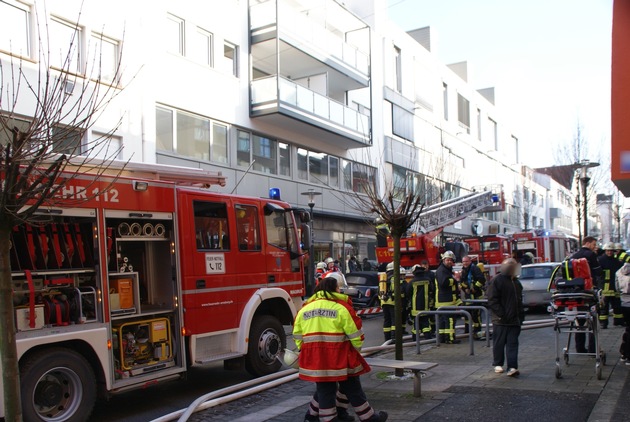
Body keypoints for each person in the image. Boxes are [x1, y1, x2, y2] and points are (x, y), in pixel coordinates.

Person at [293, 275, 388, 422]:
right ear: (334, 289)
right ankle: (367, 418)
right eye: (338, 288)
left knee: (325, 389)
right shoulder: (341, 308)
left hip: (316, 357)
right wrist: (356, 351)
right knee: (351, 386)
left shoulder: (305, 308)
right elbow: (356, 334)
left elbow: (297, 334)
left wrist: (306, 351)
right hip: (340, 356)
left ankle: (318, 416)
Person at [486, 258, 524, 377]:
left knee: (512, 344)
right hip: (501, 320)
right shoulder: (497, 281)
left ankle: (512, 367)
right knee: (499, 343)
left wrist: (520, 316)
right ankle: (498, 363)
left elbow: (519, 301)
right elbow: (492, 300)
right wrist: (501, 314)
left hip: (513, 320)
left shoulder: (516, 283)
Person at [570, 236, 602, 353]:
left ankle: (580, 347)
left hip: (577, 292)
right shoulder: (591, 255)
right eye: (594, 244)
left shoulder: (574, 256)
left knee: (579, 320)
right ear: (588, 244)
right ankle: (593, 349)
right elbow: (598, 271)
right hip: (589, 291)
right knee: (593, 320)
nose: (595, 247)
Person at [435, 251, 462, 344]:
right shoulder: (442, 270)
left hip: (444, 300)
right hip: (447, 301)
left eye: (451, 260)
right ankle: (450, 338)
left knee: (443, 322)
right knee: (450, 321)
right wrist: (455, 280)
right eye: (447, 260)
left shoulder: (444, 270)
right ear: (443, 260)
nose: (449, 262)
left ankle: (442, 338)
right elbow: (444, 283)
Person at [460, 255, 486, 339]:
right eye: (463, 262)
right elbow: (462, 281)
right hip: (468, 296)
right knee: (467, 312)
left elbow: (482, 280)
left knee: (476, 314)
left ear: (470, 261)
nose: (465, 263)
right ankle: (467, 330)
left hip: (476, 295)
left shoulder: (475, 269)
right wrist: (465, 288)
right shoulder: (464, 270)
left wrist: (474, 288)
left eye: (466, 261)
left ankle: (477, 330)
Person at [598, 242, 624, 328]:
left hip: (615, 287)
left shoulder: (617, 262)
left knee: (617, 305)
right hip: (604, 287)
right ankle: (603, 323)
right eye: (608, 251)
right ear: (605, 251)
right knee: (603, 307)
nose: (609, 253)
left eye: (611, 251)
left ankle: (618, 321)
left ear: (614, 251)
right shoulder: (600, 260)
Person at [407, 263, 436, 340]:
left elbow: (408, 293)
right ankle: (428, 338)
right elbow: (432, 290)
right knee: (426, 324)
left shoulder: (412, 282)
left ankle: (415, 339)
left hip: (415, 308)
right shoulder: (428, 280)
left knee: (416, 325)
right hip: (426, 307)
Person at [379, 262, 407, 341]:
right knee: (395, 320)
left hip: (384, 302)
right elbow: (398, 291)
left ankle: (387, 338)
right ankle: (395, 338)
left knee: (387, 320)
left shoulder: (383, 278)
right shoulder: (395, 278)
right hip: (393, 302)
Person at [616, 264, 630, 365]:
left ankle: (624, 353)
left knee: (628, 329)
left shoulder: (619, 272)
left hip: (624, 303)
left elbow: (617, 288)